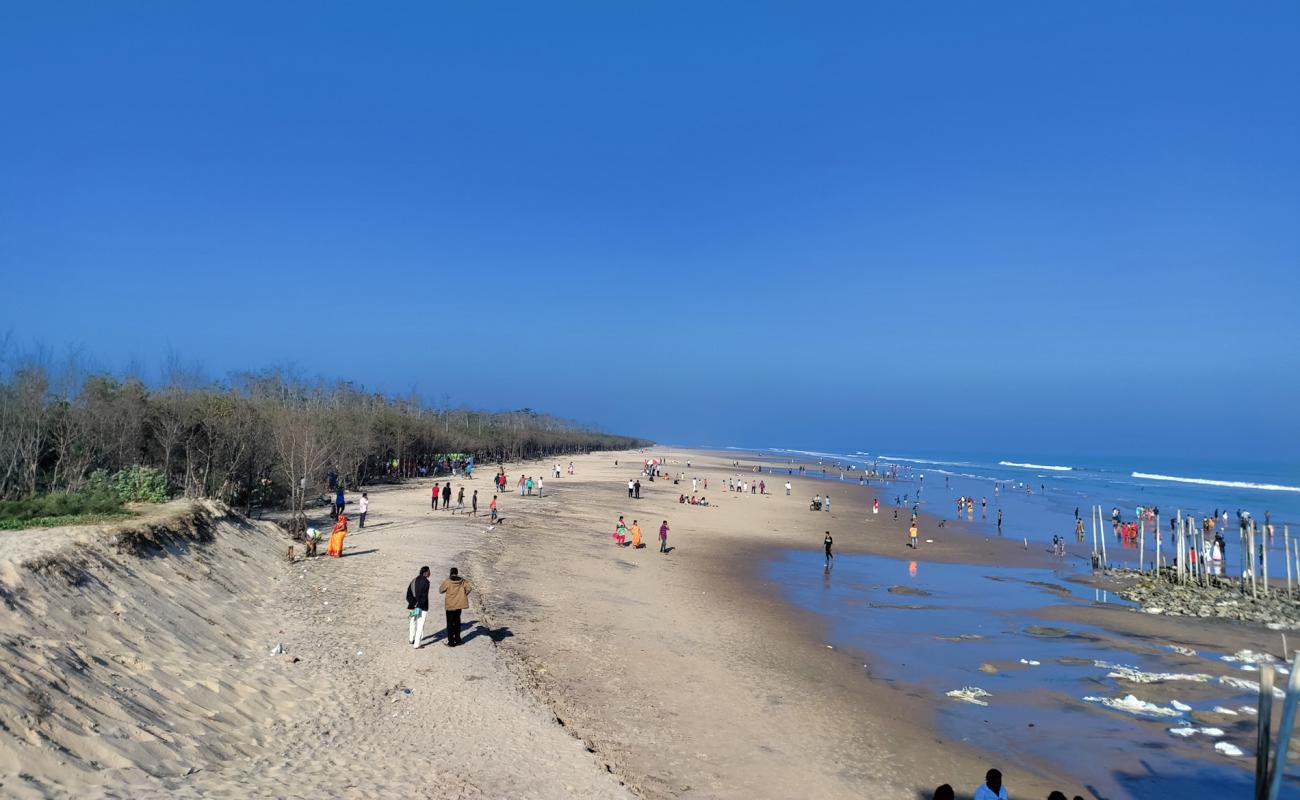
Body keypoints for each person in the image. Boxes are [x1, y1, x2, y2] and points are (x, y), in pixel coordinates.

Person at [438, 567, 473, 647]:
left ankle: (451, 642)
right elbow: (469, 588)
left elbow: (441, 590)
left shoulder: (448, 581)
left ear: (450, 573)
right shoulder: (462, 581)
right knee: (457, 623)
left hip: (450, 606)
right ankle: (458, 640)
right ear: (457, 573)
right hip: (459, 605)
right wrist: (463, 595)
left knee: (450, 624)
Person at [406, 566, 431, 649]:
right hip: (421, 607)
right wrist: (419, 606)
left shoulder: (414, 580)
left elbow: (408, 594)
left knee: (412, 621)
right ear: (426, 572)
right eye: (429, 571)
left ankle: (411, 639)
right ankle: (417, 644)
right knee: (420, 624)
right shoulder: (426, 582)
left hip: (412, 606)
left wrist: (412, 603)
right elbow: (424, 596)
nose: (430, 573)